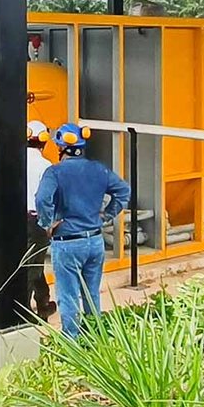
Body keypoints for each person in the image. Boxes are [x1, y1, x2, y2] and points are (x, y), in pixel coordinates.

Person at [34, 122, 130, 337]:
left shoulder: (55, 172)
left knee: (68, 296)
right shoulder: (99, 169)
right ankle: (95, 337)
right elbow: (124, 191)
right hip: (95, 241)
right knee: (91, 293)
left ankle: (72, 344)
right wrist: (106, 215)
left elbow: (42, 198)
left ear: (60, 148)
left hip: (67, 243)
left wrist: (47, 223)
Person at [22, 120, 57, 320]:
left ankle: (43, 301)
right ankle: (25, 310)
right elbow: (48, 197)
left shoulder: (16, 159)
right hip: (36, 220)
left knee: (33, 262)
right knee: (32, 265)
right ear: (43, 141)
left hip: (17, 218)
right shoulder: (45, 166)